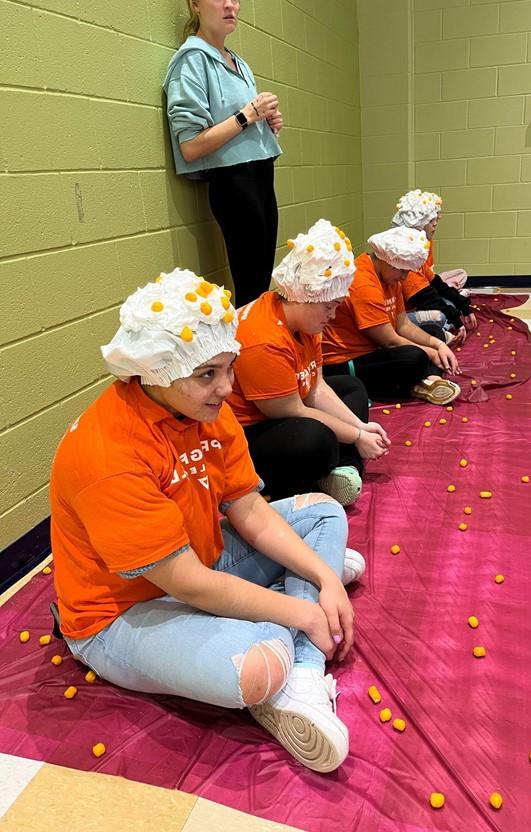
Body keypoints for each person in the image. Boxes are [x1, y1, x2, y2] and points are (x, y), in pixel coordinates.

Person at [49, 268, 364, 774]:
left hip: (203, 559)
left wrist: (325, 578)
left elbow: (252, 512)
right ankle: (296, 643)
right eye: (207, 375)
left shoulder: (205, 412)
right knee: (261, 665)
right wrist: (309, 613)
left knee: (324, 513)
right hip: (119, 616)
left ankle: (302, 664)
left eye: (228, 367)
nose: (226, 388)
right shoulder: (106, 454)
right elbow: (188, 584)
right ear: (156, 370)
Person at [229, 219, 390, 507]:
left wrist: (359, 428)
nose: (333, 314)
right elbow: (291, 410)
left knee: (352, 387)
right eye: (329, 306)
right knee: (315, 441)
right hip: (251, 430)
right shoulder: (263, 338)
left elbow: (317, 387)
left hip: (289, 407)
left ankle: (345, 468)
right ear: (305, 296)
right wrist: (354, 435)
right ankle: (328, 469)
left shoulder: (307, 321)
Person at [164, 0, 283, 307]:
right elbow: (190, 146)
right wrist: (247, 116)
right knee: (251, 289)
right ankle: (250, 351)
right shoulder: (191, 60)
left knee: (260, 283)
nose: (231, 5)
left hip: (261, 175)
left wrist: (266, 125)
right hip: (234, 182)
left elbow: (243, 124)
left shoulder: (238, 63)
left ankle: (260, 348)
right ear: (195, 4)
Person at [321, 226, 461, 404]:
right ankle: (420, 381)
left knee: (434, 332)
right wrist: (432, 353)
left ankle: (427, 381)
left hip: (375, 347)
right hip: (348, 361)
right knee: (416, 357)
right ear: (386, 260)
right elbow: (389, 340)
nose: (404, 278)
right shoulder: (363, 284)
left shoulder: (389, 276)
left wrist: (438, 344)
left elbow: (403, 325)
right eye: (403, 271)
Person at [392, 190, 476, 345]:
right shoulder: (405, 257)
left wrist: (461, 305)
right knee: (440, 315)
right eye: (432, 219)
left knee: (457, 280)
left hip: (420, 294)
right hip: (406, 309)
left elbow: (432, 280)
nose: (437, 221)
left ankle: (450, 308)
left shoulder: (421, 245)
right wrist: (456, 318)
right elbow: (425, 295)